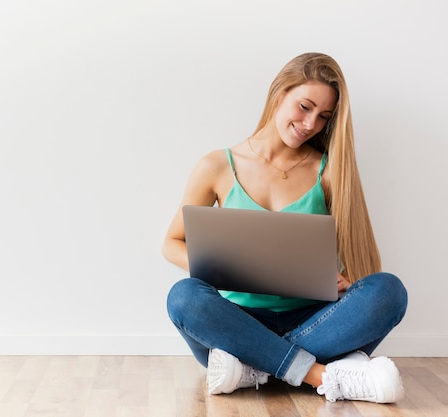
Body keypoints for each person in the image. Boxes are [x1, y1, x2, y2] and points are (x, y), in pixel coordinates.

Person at [162, 52, 408, 403]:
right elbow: (172, 243)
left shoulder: (328, 171)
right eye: (304, 107)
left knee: (389, 291)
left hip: (313, 321)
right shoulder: (216, 166)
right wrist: (222, 268)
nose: (310, 124)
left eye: (323, 117)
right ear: (280, 93)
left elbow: (359, 257)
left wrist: (345, 280)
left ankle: (253, 369)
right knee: (183, 298)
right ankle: (319, 374)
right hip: (235, 322)